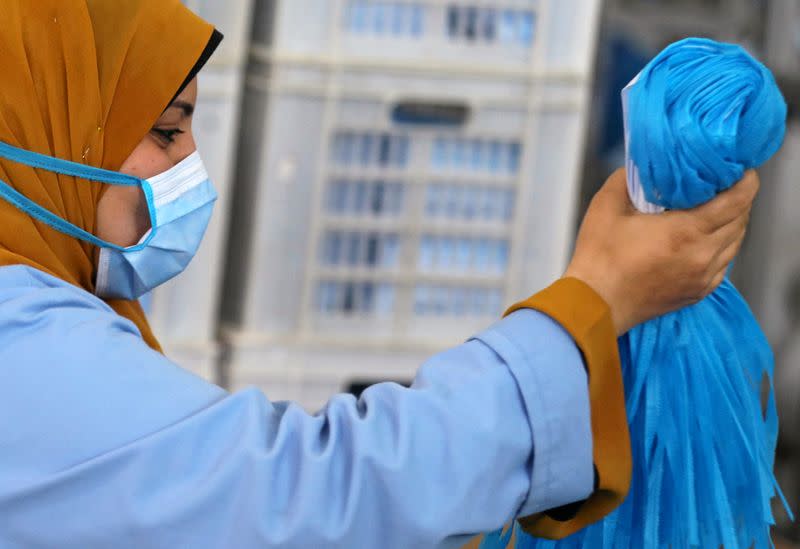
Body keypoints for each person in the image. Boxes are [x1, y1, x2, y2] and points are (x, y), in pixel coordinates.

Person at [0, 2, 758, 548]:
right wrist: (593, 301)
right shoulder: (23, 351)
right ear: (43, 122)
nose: (187, 169)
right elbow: (311, 496)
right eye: (165, 131)